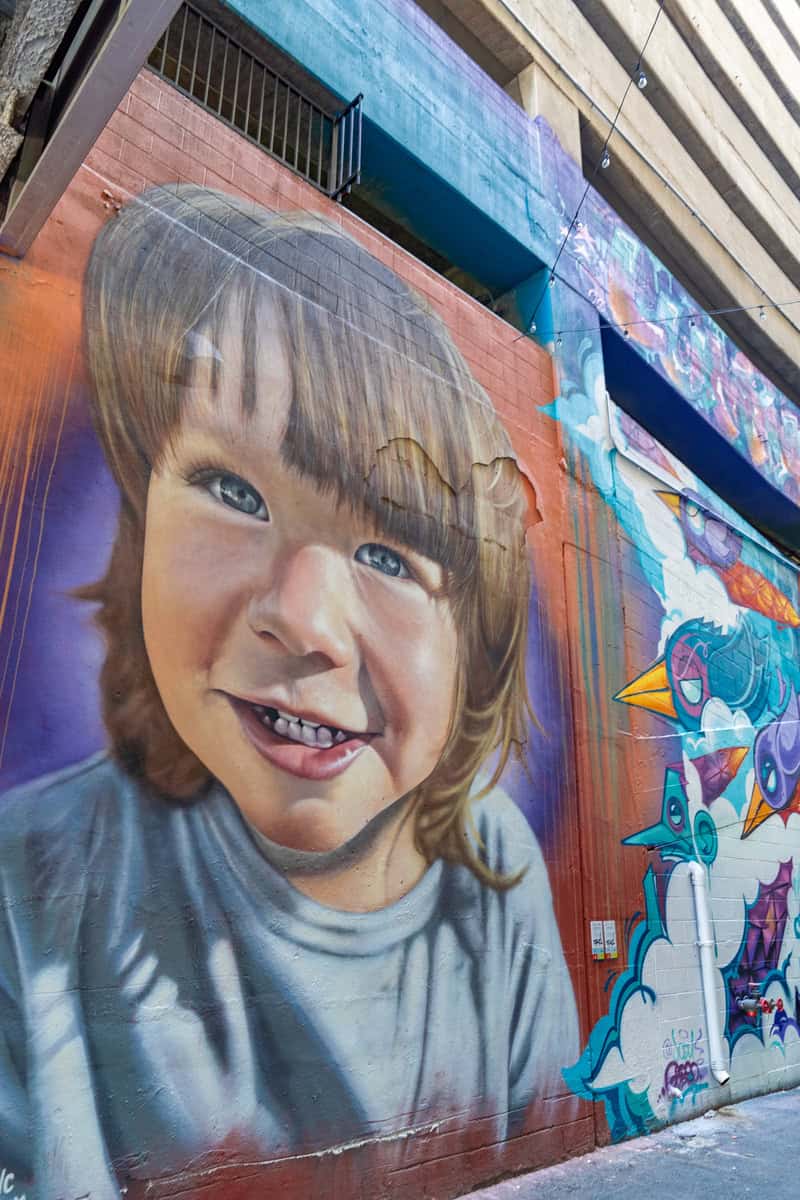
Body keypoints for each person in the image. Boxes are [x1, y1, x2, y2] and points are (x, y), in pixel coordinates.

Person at [0, 185, 577, 1196]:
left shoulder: (491, 874)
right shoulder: (28, 895)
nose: (304, 621)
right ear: (141, 531)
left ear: (475, 656)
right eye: (233, 491)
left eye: (391, 556)